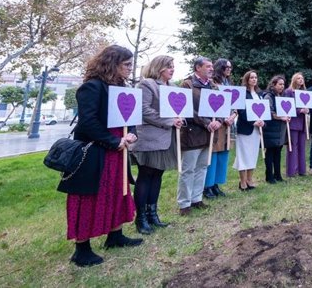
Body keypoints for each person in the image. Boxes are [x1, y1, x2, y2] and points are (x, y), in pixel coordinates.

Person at [65, 45, 142, 267]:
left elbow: (130, 118)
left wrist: (132, 135)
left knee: (119, 190)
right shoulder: (92, 87)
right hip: (95, 152)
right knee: (88, 196)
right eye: (126, 64)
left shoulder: (122, 88)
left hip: (118, 150)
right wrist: (113, 141)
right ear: (112, 63)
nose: (130, 69)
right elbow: (87, 122)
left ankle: (115, 235)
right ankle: (82, 249)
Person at [131, 55, 182, 235]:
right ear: (159, 67)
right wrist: (168, 121)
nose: (172, 69)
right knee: (146, 175)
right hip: (149, 138)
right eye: (169, 66)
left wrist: (179, 117)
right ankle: (141, 218)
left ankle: (153, 214)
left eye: (173, 66)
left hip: (167, 139)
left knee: (157, 175)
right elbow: (144, 110)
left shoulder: (173, 88)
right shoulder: (146, 84)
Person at [179, 57, 222, 215]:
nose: (211, 69)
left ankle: (196, 199)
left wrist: (218, 121)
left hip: (209, 135)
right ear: (198, 68)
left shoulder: (213, 86)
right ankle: (184, 204)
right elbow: (186, 108)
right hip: (192, 134)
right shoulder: (187, 85)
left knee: (202, 167)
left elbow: (222, 107)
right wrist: (206, 122)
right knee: (188, 170)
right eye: (208, 66)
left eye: (212, 66)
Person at [203, 58, 236, 199]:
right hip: (217, 124)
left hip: (228, 124)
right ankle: (208, 186)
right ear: (220, 68)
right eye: (226, 67)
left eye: (230, 67)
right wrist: (222, 118)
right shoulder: (213, 83)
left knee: (223, 153)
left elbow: (235, 103)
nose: (228, 69)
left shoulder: (230, 84)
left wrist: (233, 115)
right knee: (214, 154)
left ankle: (217, 184)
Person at [233, 70, 264, 190]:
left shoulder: (259, 94)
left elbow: (263, 110)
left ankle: (250, 179)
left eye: (255, 77)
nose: (254, 79)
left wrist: (262, 121)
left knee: (252, 154)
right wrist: (253, 122)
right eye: (251, 77)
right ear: (247, 79)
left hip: (257, 130)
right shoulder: (242, 93)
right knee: (243, 155)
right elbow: (241, 111)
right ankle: (242, 182)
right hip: (245, 128)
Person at [262, 75, 290, 184]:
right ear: (273, 84)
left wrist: (288, 115)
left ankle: (278, 175)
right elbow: (269, 111)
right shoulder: (268, 96)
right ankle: (269, 176)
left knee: (278, 152)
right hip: (270, 129)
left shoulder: (282, 96)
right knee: (270, 152)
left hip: (280, 129)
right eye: (280, 84)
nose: (282, 86)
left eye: (283, 84)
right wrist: (281, 117)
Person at [283, 72, 309, 177]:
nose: (301, 80)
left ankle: (302, 170)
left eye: (302, 78)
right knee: (292, 147)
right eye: (298, 78)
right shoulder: (288, 92)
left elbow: (309, 106)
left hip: (303, 123)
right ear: (294, 80)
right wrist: (299, 110)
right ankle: (291, 171)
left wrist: (307, 110)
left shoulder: (305, 93)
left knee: (302, 147)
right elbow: (286, 106)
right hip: (293, 122)